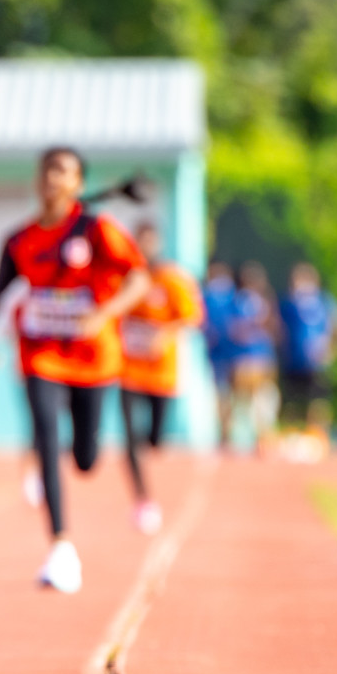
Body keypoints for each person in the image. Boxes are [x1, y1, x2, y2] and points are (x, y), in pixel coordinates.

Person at [0, 149, 149, 594]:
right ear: (38, 180)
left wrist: (104, 313)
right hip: (42, 354)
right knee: (47, 438)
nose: (54, 178)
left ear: (77, 183)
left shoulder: (97, 230)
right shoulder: (20, 239)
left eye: (65, 172)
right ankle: (61, 548)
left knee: (86, 459)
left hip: (94, 358)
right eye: (48, 170)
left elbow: (139, 280)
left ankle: (84, 452)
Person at [118, 221, 203, 534]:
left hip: (161, 372)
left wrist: (164, 334)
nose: (144, 249)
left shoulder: (170, 277)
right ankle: (143, 499)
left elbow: (191, 317)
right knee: (129, 439)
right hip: (128, 370)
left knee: (155, 439)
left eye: (149, 242)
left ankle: (143, 449)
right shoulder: (124, 279)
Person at [278, 262, 337, 435]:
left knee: (318, 401)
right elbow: (278, 328)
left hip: (317, 363)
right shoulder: (289, 304)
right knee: (292, 402)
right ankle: (292, 436)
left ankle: (318, 435)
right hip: (294, 360)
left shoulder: (324, 301)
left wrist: (331, 350)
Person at [229, 261, 281, 451]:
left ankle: (263, 439)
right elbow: (235, 330)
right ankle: (242, 440)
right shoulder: (239, 301)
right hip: (245, 358)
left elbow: (274, 328)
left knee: (263, 401)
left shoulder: (265, 300)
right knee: (243, 402)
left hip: (261, 357)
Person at [200, 261, 237, 450]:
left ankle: (229, 432)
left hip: (233, 354)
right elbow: (199, 320)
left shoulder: (233, 297)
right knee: (219, 395)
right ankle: (222, 433)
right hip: (214, 354)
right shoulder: (205, 297)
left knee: (232, 396)